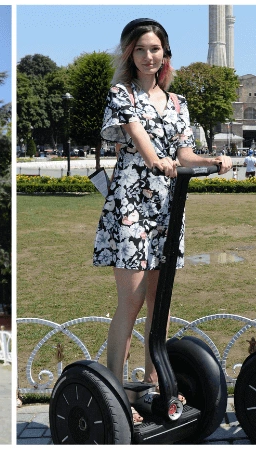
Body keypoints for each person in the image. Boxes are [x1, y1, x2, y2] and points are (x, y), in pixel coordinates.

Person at [92, 18, 231, 422]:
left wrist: (210, 160)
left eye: (155, 49)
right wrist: (157, 161)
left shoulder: (178, 103)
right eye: (140, 49)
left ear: (164, 54)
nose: (148, 56)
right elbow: (140, 141)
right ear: (130, 55)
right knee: (131, 300)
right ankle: (114, 393)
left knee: (161, 301)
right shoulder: (122, 95)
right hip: (132, 203)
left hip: (168, 206)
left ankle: (155, 387)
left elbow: (184, 154)